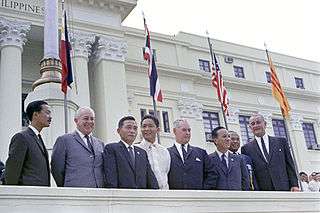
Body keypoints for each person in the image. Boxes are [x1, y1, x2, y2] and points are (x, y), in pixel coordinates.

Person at [241, 113, 299, 191]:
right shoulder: (246, 148)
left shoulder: (281, 142)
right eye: (253, 124)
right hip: (263, 191)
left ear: (265, 124)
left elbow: (289, 165)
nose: (256, 125)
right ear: (250, 127)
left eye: (258, 122)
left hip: (284, 188)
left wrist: (294, 185)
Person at [51, 107, 105, 187]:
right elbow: (57, 169)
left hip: (98, 193)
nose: (89, 122)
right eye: (86, 118)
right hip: (75, 193)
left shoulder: (100, 143)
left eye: (92, 119)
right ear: (76, 121)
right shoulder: (64, 140)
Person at [103, 116, 158, 189]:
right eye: (128, 127)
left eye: (135, 128)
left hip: (142, 197)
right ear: (118, 131)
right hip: (122, 197)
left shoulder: (142, 153)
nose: (132, 131)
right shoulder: (111, 149)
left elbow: (151, 180)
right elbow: (111, 179)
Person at [5, 100, 51, 186]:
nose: (50, 117)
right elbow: (12, 171)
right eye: (47, 113)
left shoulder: (38, 138)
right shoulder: (21, 137)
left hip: (41, 194)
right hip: (27, 195)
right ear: (35, 114)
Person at [167, 119, 217, 190]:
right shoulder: (166, 153)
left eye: (189, 130)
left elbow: (212, 174)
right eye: (184, 130)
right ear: (175, 131)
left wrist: (203, 190)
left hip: (198, 198)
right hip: (175, 198)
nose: (187, 133)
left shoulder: (201, 153)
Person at [136, 114, 171, 189]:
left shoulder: (164, 151)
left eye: (150, 126)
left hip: (164, 194)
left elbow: (166, 172)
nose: (147, 129)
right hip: (145, 194)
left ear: (158, 130)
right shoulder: (136, 149)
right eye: (144, 126)